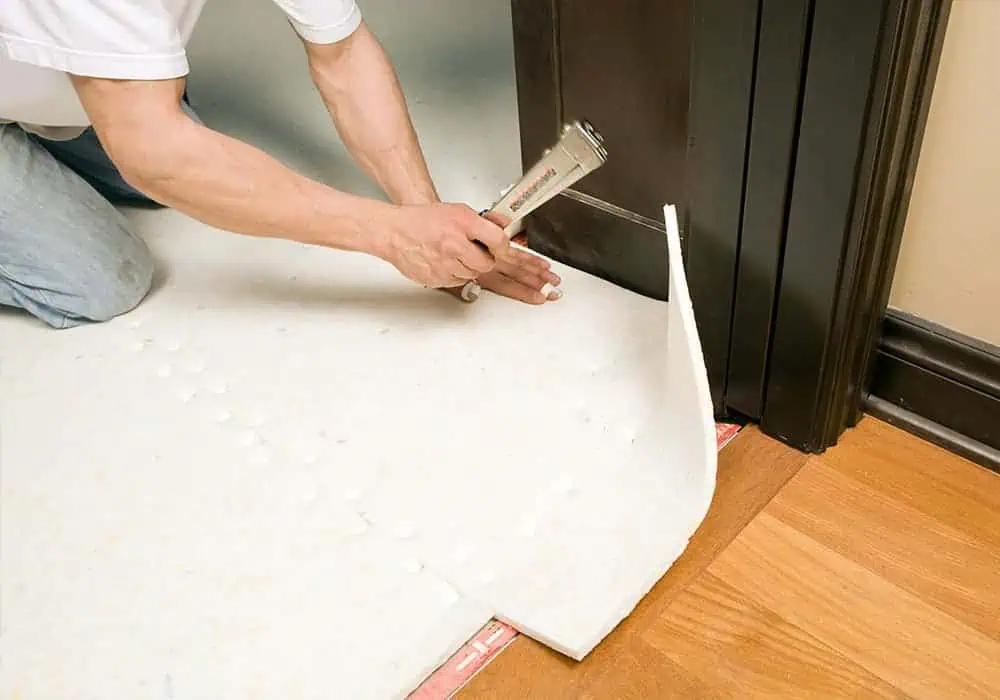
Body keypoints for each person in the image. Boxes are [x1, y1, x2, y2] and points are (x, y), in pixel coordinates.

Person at [0, 0, 561, 329]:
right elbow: (153, 154)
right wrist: (394, 237)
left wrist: (428, 219)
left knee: (175, 160)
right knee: (99, 281)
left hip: (54, 85)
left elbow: (342, 54)